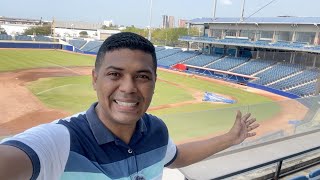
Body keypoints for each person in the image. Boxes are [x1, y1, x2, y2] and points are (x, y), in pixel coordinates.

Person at [0, 32, 259, 180]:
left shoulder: (157, 130)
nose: (128, 87)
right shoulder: (60, 140)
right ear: (95, 79)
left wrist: (231, 138)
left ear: (155, 82)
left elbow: (175, 156)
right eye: (115, 74)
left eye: (142, 76)